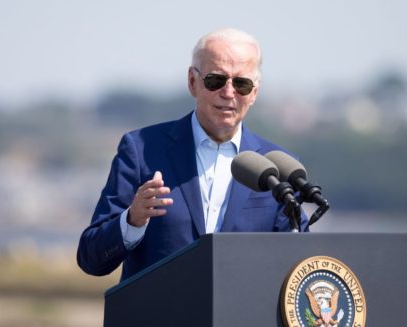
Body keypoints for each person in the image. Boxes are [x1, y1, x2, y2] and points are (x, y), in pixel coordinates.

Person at [77, 28, 308, 281]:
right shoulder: (141, 149)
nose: (229, 93)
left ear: (254, 92)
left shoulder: (278, 166)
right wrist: (132, 220)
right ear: (192, 82)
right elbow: (91, 257)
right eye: (216, 80)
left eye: (241, 84)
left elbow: (299, 266)